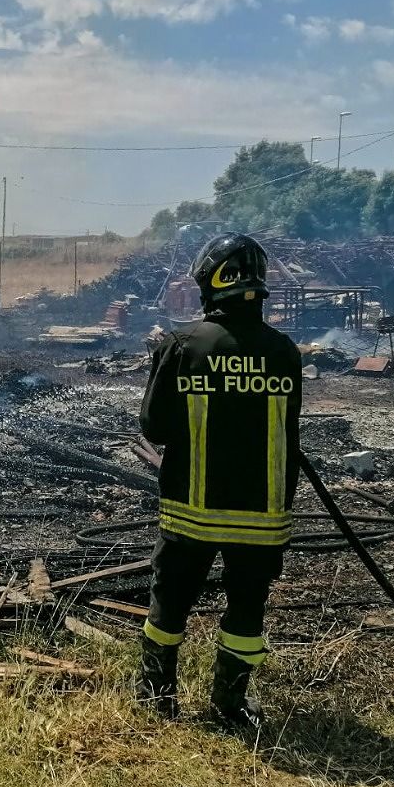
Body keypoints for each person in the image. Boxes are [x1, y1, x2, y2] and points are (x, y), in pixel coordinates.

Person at [134, 233, 302, 731]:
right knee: (247, 611)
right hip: (261, 516)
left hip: (191, 512)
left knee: (169, 605)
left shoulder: (183, 345)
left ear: (210, 281)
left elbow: (153, 427)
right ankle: (230, 707)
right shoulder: (284, 351)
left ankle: (156, 699)